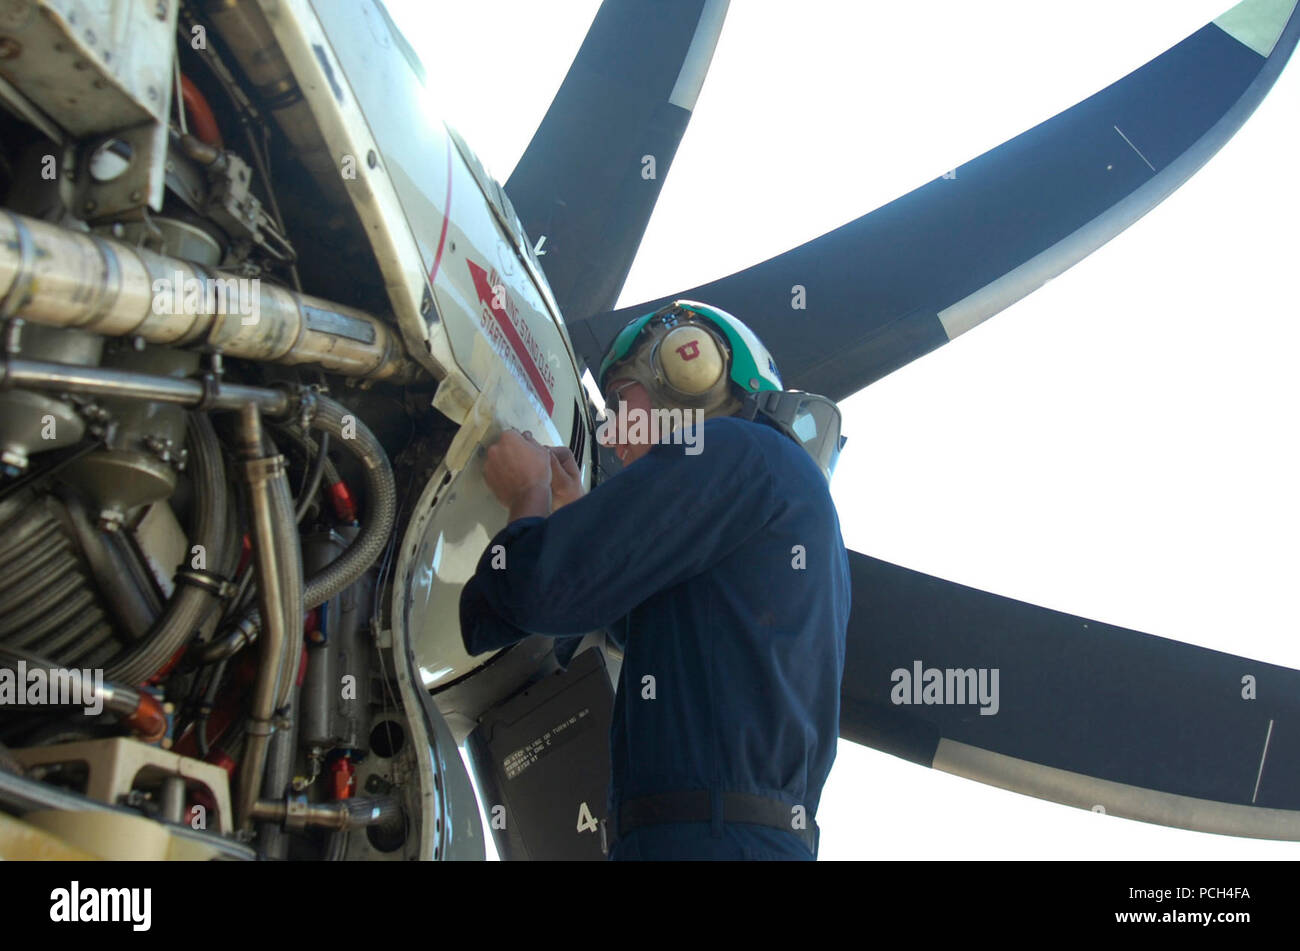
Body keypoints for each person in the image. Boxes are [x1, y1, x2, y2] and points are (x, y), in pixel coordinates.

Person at [459, 300, 850, 860]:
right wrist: (573, 512)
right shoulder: (775, 484)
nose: (612, 431)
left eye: (622, 399)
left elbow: (536, 590)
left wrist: (527, 498)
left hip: (703, 840)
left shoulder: (734, 448)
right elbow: (640, 628)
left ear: (690, 372)